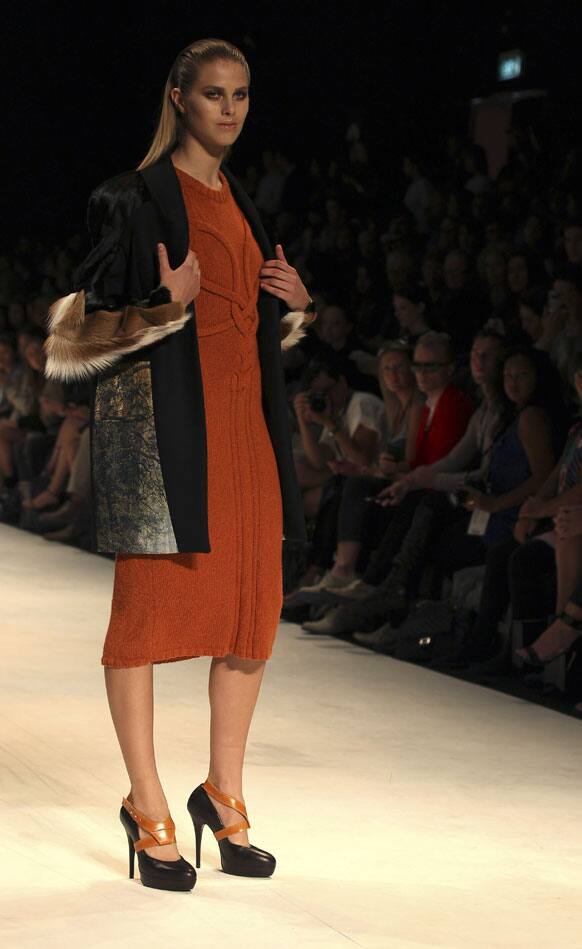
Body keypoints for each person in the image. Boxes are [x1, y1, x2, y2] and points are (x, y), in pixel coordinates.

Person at [44, 39, 313, 892]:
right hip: (164, 435)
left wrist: (298, 310)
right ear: (179, 99)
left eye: (240, 95)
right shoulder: (134, 199)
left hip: (245, 434)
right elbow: (69, 339)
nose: (229, 110)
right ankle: (147, 801)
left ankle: (223, 794)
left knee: (250, 614)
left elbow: (247, 324)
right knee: (149, 617)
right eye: (213, 95)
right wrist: (164, 307)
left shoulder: (243, 202)